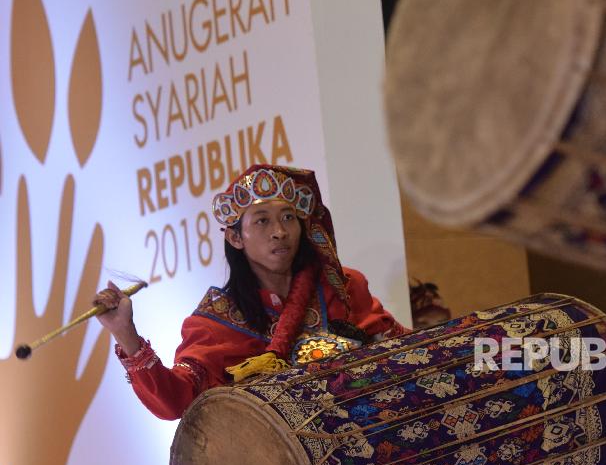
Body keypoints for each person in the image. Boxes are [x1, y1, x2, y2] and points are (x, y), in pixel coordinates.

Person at [94, 164, 409, 420]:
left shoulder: (343, 287)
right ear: (235, 238)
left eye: (288, 218)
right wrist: (126, 334)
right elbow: (174, 402)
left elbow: (400, 349)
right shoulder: (214, 323)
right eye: (262, 221)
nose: (279, 232)